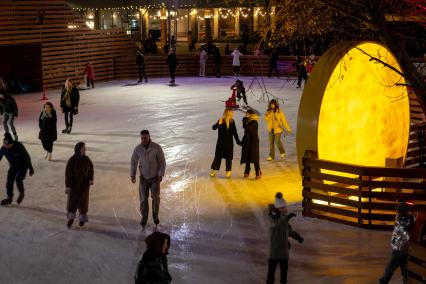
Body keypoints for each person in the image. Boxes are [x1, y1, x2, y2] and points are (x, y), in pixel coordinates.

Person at [131, 130, 166, 228]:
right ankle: (144, 218)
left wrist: (160, 174)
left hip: (155, 178)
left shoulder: (156, 147)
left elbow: (162, 161)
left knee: (155, 199)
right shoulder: (138, 149)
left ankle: (155, 216)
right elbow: (134, 162)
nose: (143, 140)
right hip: (143, 178)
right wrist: (132, 175)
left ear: (149, 137)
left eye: (145, 138)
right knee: (143, 200)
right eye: (142, 138)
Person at [267, 192, 303, 284]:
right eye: (282, 207)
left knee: (284, 274)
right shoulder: (272, 219)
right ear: (277, 208)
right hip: (274, 251)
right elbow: (277, 224)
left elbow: (289, 231)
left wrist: (298, 237)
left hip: (283, 251)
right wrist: (287, 218)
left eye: (285, 207)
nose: (285, 209)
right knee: (271, 273)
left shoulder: (284, 220)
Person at [379, 202, 415, 284]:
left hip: (399, 246)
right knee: (395, 266)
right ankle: (384, 281)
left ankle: (385, 281)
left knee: (401, 266)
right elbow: (408, 228)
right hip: (401, 247)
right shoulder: (407, 218)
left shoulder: (399, 217)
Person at [65, 142, 94, 228]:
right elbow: (68, 174)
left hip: (84, 186)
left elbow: (91, 170)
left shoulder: (87, 159)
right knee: (72, 203)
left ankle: (82, 219)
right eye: (83, 148)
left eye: (85, 148)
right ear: (78, 149)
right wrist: (68, 186)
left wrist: (91, 179)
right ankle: (71, 218)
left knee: (83, 203)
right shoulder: (72, 160)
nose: (85, 149)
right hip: (74, 186)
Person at [0, 133, 34, 205]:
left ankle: (21, 193)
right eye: (4, 145)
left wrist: (31, 168)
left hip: (23, 166)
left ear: (11, 143)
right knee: (9, 182)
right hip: (13, 166)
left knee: (18, 179)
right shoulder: (3, 148)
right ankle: (9, 198)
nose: (5, 147)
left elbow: (27, 157)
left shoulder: (18, 146)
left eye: (7, 145)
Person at [210, 108, 241, 178]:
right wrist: (218, 123)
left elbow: (235, 133)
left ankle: (228, 171)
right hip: (220, 144)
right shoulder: (221, 120)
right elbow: (213, 128)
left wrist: (238, 142)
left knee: (229, 158)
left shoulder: (232, 122)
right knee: (217, 157)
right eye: (232, 113)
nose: (233, 114)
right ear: (228, 113)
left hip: (229, 144)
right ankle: (214, 170)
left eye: (233, 113)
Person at [241, 109, 261, 179]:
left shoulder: (254, 122)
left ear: (250, 114)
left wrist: (245, 119)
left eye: (247, 114)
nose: (246, 115)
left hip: (254, 142)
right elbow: (246, 132)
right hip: (248, 141)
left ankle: (258, 172)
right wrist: (242, 141)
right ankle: (247, 171)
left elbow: (248, 129)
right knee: (247, 157)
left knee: (255, 157)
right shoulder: (248, 121)